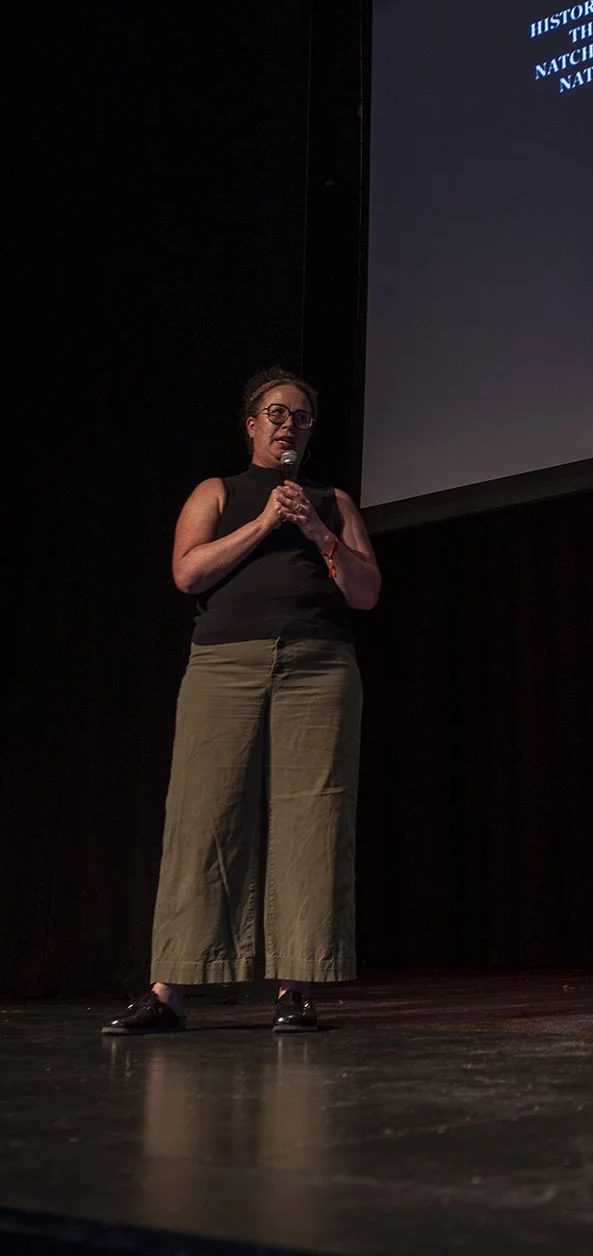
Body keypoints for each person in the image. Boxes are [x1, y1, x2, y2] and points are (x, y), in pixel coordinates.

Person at [103, 366, 381, 1034]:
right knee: (204, 813)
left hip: (319, 663)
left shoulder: (333, 500)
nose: (291, 424)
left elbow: (367, 591)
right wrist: (263, 523)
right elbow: (187, 571)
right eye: (277, 413)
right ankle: (169, 991)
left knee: (312, 819)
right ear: (252, 424)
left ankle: (295, 989)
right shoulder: (219, 491)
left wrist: (317, 530)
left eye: (303, 416)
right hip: (225, 664)